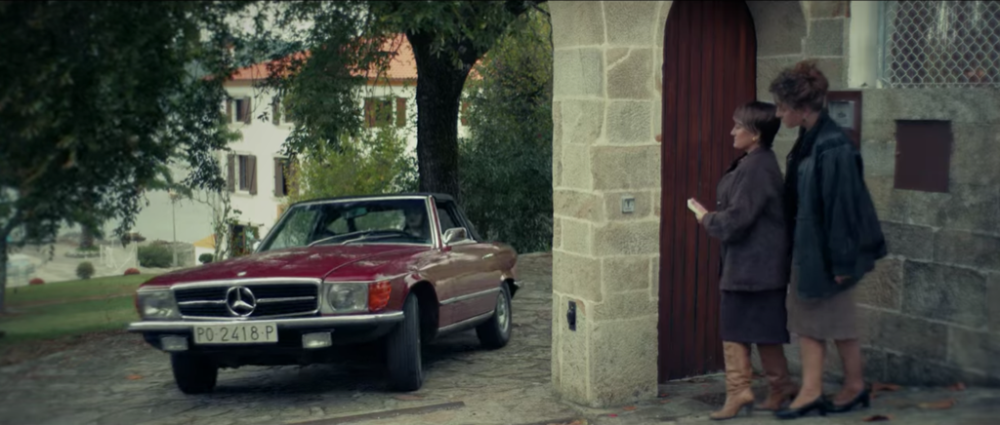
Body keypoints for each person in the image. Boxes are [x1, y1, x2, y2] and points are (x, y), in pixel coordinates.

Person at [768, 60, 886, 419]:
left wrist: (842, 262)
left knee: (813, 325)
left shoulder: (831, 145)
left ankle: (812, 392)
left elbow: (842, 208)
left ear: (802, 108)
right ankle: (853, 387)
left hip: (825, 253)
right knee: (836, 324)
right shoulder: (812, 138)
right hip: (816, 249)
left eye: (782, 107)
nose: (778, 114)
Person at [688, 101, 798, 420]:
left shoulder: (757, 167)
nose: (732, 131)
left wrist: (707, 218)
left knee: (735, 329)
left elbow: (737, 219)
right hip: (759, 266)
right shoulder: (756, 162)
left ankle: (739, 392)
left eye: (739, 126)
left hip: (752, 267)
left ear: (755, 133)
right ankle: (780, 387)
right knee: (765, 330)